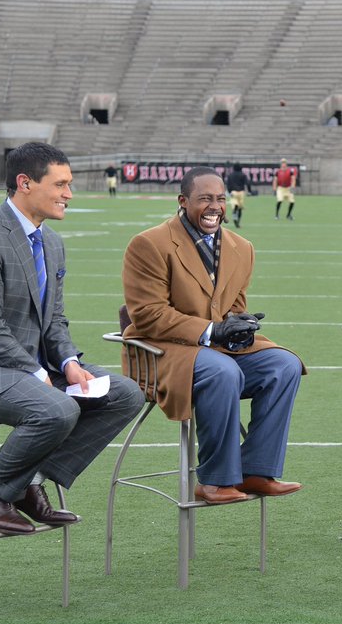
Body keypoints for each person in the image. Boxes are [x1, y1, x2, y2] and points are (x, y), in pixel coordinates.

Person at [0, 142, 143, 535]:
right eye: (60, 184)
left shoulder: (51, 242)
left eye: (69, 184)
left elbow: (53, 319)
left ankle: (29, 483)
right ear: (25, 183)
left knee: (126, 394)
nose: (69, 195)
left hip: (27, 363)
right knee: (56, 409)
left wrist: (68, 364)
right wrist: (34, 372)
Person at [122, 167, 305, 504]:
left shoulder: (241, 247)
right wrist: (211, 330)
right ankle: (214, 480)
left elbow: (232, 306)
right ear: (183, 201)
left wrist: (238, 326)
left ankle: (256, 470)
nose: (215, 206)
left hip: (217, 352)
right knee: (223, 372)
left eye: (220, 199)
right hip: (162, 354)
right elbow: (147, 315)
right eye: (204, 199)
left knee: (285, 364)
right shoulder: (149, 243)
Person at [226, 163, 250, 228]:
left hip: (233, 192)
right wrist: (249, 191)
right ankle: (238, 222)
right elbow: (247, 183)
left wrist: (229, 191)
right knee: (240, 208)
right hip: (241, 192)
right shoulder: (243, 175)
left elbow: (228, 184)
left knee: (235, 205)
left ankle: (234, 215)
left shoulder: (230, 175)